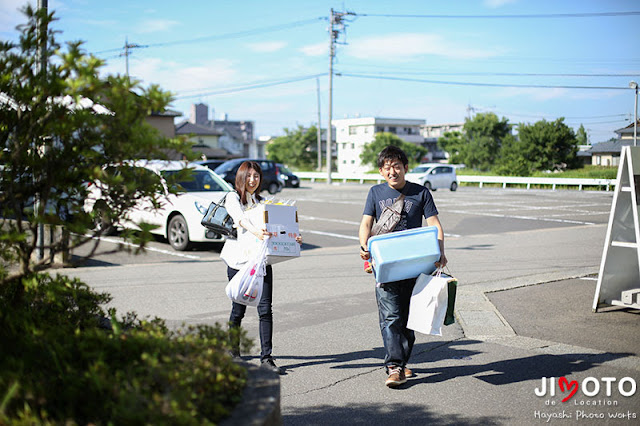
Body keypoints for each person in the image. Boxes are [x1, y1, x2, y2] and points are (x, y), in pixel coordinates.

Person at [358, 146, 447, 388]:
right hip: (385, 266)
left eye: (397, 166)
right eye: (387, 167)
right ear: (381, 171)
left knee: (409, 320)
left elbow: (435, 224)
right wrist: (364, 246)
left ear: (406, 168)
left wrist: (441, 251)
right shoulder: (375, 193)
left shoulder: (421, 193)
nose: (392, 171)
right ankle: (394, 366)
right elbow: (366, 223)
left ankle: (402, 362)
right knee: (391, 317)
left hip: (416, 266)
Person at [220, 160, 302, 375]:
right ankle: (233, 352)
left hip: (261, 262)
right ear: (241, 177)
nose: (253, 180)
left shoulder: (264, 201)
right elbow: (240, 219)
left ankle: (266, 358)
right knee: (238, 309)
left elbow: (279, 227)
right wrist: (257, 232)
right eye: (249, 176)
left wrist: (293, 237)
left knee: (265, 310)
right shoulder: (233, 198)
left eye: (256, 176)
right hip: (238, 262)